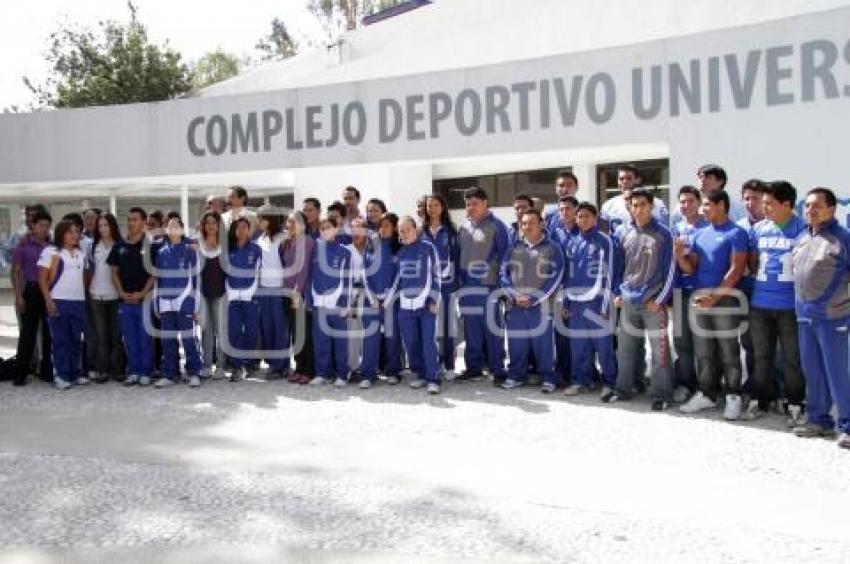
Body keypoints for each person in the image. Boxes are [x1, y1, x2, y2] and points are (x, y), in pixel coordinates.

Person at [677, 191, 748, 419]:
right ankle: (707, 394)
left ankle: (733, 396)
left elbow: (735, 270)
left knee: (729, 350)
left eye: (706, 204)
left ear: (721, 205)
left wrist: (714, 298)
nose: (702, 209)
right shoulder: (699, 234)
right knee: (703, 351)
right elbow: (691, 269)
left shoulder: (737, 233)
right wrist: (680, 256)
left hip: (724, 299)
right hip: (699, 299)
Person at [790, 187, 850, 449]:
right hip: (805, 316)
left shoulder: (842, 239)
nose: (810, 210)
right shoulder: (802, 236)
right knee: (812, 371)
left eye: (817, 206)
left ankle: (847, 426)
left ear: (831, 209)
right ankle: (818, 420)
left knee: (838, 373)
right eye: (807, 206)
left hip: (833, 318)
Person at [609, 188, 676, 410]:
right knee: (625, 350)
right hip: (628, 300)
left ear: (651, 206)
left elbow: (670, 269)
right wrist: (617, 292)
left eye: (643, 205)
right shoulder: (622, 232)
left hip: (652, 302)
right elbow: (616, 268)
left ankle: (661, 395)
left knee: (659, 352)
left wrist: (661, 299)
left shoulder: (664, 234)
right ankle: (623, 389)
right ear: (629, 207)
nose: (638, 209)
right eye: (634, 205)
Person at [745, 181, 806, 424]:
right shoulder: (759, 229)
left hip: (790, 306)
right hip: (760, 303)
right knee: (761, 355)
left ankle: (794, 402)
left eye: (769, 203)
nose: (764, 207)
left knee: (791, 358)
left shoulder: (803, 229)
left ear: (787, 204)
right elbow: (753, 262)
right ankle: (761, 400)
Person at [499, 208, 564, 393]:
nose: (527, 226)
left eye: (531, 223)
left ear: (541, 224)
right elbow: (503, 274)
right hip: (516, 306)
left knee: (543, 345)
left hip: (541, 307)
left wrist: (535, 298)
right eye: (524, 223)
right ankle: (515, 376)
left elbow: (556, 277)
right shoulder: (513, 248)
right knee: (516, 343)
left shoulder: (552, 248)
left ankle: (548, 378)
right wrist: (514, 295)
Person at [563, 203, 617, 396]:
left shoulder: (605, 241)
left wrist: (605, 305)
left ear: (595, 218)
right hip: (576, 303)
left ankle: (609, 383)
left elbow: (610, 274)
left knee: (603, 346)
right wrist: (567, 303)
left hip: (597, 304)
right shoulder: (572, 242)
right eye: (580, 217)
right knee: (579, 346)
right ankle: (581, 381)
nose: (583, 220)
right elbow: (568, 274)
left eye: (587, 216)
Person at [456, 187, 509, 383]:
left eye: (474, 203)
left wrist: (504, 286)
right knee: (472, 330)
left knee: (492, 330)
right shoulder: (464, 227)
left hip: (489, 288)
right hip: (468, 288)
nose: (470, 207)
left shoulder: (498, 226)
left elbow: (506, 257)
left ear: (486, 202)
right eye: (467, 204)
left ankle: (497, 369)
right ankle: (474, 368)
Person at [393, 215, 442, 394]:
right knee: (411, 342)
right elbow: (396, 281)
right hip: (406, 307)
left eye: (407, 229)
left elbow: (437, 275)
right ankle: (420, 374)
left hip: (426, 305)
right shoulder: (401, 253)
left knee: (428, 342)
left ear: (415, 229)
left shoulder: (428, 248)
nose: (405, 233)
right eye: (401, 231)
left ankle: (433, 378)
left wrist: (434, 299)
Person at [38, 219, 88, 390]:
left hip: (78, 302)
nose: (75, 235)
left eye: (76, 231)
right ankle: (61, 375)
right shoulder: (51, 252)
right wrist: (48, 299)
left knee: (75, 339)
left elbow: (83, 279)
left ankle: (75, 372)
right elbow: (42, 279)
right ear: (61, 234)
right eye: (70, 232)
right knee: (61, 340)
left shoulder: (81, 253)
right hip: (58, 301)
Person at [153, 216, 202, 388]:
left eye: (176, 226)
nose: (173, 229)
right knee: (168, 340)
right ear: (166, 230)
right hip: (166, 302)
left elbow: (196, 278)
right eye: (170, 226)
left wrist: (196, 305)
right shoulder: (161, 252)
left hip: (185, 300)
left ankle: (194, 372)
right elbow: (158, 280)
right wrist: (157, 303)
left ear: (182, 230)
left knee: (189, 338)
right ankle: (170, 373)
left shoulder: (190, 249)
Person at [669, 186, 708, 403]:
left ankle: (707, 387)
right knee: (682, 341)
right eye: (682, 202)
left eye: (690, 201)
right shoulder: (676, 228)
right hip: (679, 291)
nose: (686, 206)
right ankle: (685, 384)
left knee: (703, 344)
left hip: (701, 291)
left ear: (699, 202)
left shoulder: (707, 226)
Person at [109, 207, 155, 386]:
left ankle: (145, 372)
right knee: (129, 338)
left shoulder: (151, 245)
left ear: (143, 222)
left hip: (144, 300)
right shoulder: (119, 245)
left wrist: (142, 293)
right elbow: (114, 272)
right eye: (129, 219)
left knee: (145, 338)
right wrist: (121, 293)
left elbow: (154, 274)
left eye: (135, 219)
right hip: (124, 301)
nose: (131, 223)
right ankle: (133, 371)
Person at [358, 213, 403, 388]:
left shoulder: (399, 249)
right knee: (370, 337)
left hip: (392, 301)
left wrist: (389, 297)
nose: (382, 229)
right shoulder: (371, 247)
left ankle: (393, 371)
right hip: (372, 301)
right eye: (381, 226)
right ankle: (368, 374)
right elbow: (364, 274)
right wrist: (372, 297)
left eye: (387, 226)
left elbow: (399, 276)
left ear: (394, 228)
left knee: (392, 337)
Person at [308, 216, 353, 387]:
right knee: (321, 340)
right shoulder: (314, 249)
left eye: (328, 227)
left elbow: (348, 279)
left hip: (338, 303)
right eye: (322, 228)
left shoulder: (344, 252)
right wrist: (310, 299)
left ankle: (342, 374)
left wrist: (345, 304)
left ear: (336, 229)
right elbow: (311, 276)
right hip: (319, 302)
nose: (325, 230)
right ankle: (322, 374)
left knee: (341, 341)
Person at [11, 209, 53, 385]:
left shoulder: (52, 246)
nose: (44, 229)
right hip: (31, 290)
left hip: (49, 291)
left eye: (47, 226)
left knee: (48, 333)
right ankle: (21, 373)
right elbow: (15, 271)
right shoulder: (23, 246)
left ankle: (46, 371)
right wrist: (19, 295)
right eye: (41, 225)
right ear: (33, 226)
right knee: (27, 334)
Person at [421, 194, 460, 379]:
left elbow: (456, 259)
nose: (432, 209)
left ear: (442, 208)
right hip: (428, 287)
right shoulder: (422, 232)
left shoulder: (451, 231)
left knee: (448, 327)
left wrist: (455, 284)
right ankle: (432, 364)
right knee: (431, 328)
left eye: (436, 205)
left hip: (447, 286)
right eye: (429, 205)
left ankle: (450, 365)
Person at [736, 179, 767, 389]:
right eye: (747, 198)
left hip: (770, 294)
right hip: (745, 292)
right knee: (748, 342)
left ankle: (778, 390)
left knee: (773, 344)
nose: (750, 202)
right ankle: (754, 386)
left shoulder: (774, 225)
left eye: (755, 198)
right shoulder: (739, 227)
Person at [225, 217, 262, 381]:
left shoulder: (256, 249)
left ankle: (248, 363)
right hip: (233, 296)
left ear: (249, 229)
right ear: (233, 230)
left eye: (244, 227)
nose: (241, 230)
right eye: (238, 227)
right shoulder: (228, 249)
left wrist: (254, 292)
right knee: (234, 331)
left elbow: (259, 272)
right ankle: (237, 366)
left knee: (252, 332)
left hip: (250, 296)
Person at [256, 206, 290, 380]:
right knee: (267, 328)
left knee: (280, 329)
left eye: (260, 218)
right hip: (263, 290)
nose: (258, 221)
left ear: (270, 219)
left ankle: (281, 365)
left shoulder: (283, 238)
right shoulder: (260, 239)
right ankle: (272, 363)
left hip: (279, 290)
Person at [88, 213, 123, 383]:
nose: (103, 229)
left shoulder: (120, 245)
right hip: (97, 297)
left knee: (116, 336)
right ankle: (102, 370)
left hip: (116, 296)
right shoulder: (93, 245)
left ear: (113, 227)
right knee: (100, 336)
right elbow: (89, 269)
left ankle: (117, 370)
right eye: (100, 226)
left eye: (106, 225)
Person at [282, 212, 316, 384]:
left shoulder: (308, 242)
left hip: (299, 295)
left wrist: (297, 293)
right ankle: (299, 367)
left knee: (304, 334)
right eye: (289, 221)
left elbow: (303, 271)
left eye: (294, 221)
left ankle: (308, 370)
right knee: (296, 335)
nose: (290, 224)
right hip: (286, 293)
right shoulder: (288, 241)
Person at [550, 195, 580, 385]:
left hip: (580, 289)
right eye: (561, 209)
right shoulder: (556, 232)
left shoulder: (583, 231)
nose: (564, 212)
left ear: (576, 210)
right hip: (560, 289)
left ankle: (582, 373)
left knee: (579, 336)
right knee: (561, 333)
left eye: (568, 208)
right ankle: (563, 372)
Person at [599, 164, 669, 233]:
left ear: (638, 180)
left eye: (629, 178)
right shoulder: (608, 206)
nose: (624, 181)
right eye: (621, 179)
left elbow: (664, 229)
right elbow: (603, 233)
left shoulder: (657, 203)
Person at [670, 164, 748, 225]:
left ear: (720, 181)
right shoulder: (685, 203)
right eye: (700, 177)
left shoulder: (736, 206)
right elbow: (675, 225)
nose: (702, 180)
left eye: (708, 177)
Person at [198, 211, 226, 379]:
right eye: (207, 222)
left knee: (221, 331)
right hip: (203, 294)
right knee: (205, 331)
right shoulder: (197, 244)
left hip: (221, 293)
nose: (210, 226)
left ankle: (221, 366)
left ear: (218, 225)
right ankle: (207, 365)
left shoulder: (225, 245)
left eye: (213, 223)